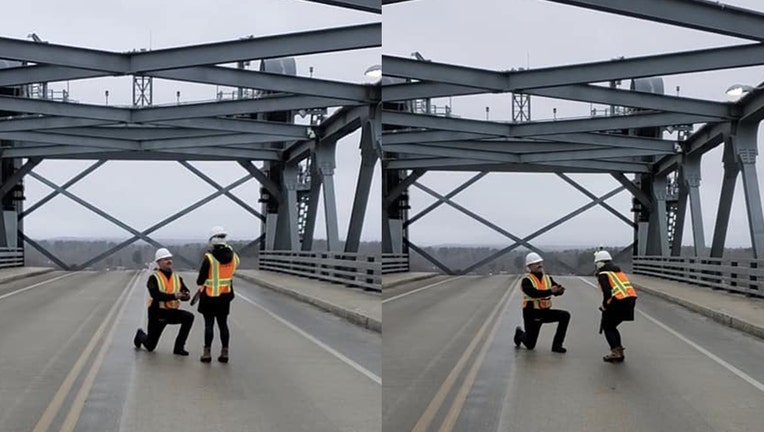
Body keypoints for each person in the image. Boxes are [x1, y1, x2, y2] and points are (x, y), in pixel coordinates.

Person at [134, 248, 194, 356]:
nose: (168, 261)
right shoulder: (153, 278)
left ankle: (179, 347)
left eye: (169, 258)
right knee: (150, 346)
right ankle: (140, 335)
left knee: (189, 317)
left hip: (171, 312)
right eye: (165, 259)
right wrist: (174, 296)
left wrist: (186, 296)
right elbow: (155, 295)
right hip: (157, 313)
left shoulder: (177, 278)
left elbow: (185, 291)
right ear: (158, 262)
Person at [195, 226, 240, 363]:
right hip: (225, 296)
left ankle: (207, 353)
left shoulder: (209, 258)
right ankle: (224, 352)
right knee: (223, 324)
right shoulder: (234, 257)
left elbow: (200, 280)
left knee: (209, 325)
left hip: (209, 297)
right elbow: (231, 272)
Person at [514, 252, 570, 353]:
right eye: (536, 263)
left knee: (565, 316)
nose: (539, 265)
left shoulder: (547, 278)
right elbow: (534, 293)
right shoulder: (526, 281)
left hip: (544, 312)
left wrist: (559, 290)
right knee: (530, 345)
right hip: (532, 314)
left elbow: (554, 290)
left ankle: (557, 345)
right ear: (529, 267)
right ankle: (519, 334)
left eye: (540, 262)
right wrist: (550, 291)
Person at [594, 250, 637, 363]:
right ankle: (618, 351)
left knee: (608, 327)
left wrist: (604, 306)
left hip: (619, 302)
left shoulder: (603, 274)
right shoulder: (618, 272)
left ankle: (616, 353)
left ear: (599, 263)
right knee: (611, 326)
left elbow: (607, 293)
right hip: (630, 301)